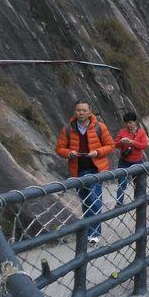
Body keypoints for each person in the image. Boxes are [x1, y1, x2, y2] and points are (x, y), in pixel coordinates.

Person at [55, 101, 114, 246]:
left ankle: (94, 234)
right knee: (86, 201)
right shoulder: (68, 129)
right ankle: (90, 231)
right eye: (78, 110)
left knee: (94, 200)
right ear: (75, 112)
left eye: (83, 110)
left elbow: (111, 145)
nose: (81, 113)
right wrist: (69, 153)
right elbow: (59, 148)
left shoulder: (100, 127)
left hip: (95, 169)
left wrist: (97, 152)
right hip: (78, 170)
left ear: (90, 112)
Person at [115, 112, 149, 206]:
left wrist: (132, 142)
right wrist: (121, 142)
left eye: (130, 122)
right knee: (122, 182)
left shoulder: (141, 132)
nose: (128, 125)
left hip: (137, 161)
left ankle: (139, 200)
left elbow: (144, 145)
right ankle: (119, 203)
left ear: (135, 122)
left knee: (139, 183)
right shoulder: (122, 131)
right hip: (124, 161)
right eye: (126, 123)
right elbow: (115, 144)